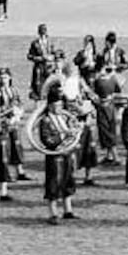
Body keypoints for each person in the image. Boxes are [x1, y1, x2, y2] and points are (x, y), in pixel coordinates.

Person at [34, 86, 79, 223]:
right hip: (55, 154)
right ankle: (53, 213)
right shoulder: (46, 120)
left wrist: (74, 132)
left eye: (60, 104)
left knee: (68, 180)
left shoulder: (65, 117)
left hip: (67, 152)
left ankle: (68, 209)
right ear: (50, 105)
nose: (58, 107)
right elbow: (46, 139)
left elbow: (73, 129)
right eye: (55, 105)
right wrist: (64, 136)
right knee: (54, 182)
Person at [0, 68, 27, 202]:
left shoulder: (14, 90)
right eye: (1, 77)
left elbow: (19, 103)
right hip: (1, 127)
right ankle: (1, 190)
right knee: (1, 158)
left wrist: (18, 113)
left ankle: (19, 171)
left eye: (5, 77)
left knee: (16, 147)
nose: (3, 79)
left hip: (12, 123)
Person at [27, 24, 55, 98]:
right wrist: (40, 58)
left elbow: (54, 53)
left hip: (49, 66)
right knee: (38, 83)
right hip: (39, 66)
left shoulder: (50, 42)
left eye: (44, 31)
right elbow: (30, 56)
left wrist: (51, 57)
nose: (43, 34)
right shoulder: (35, 43)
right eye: (41, 31)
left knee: (49, 82)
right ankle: (38, 96)